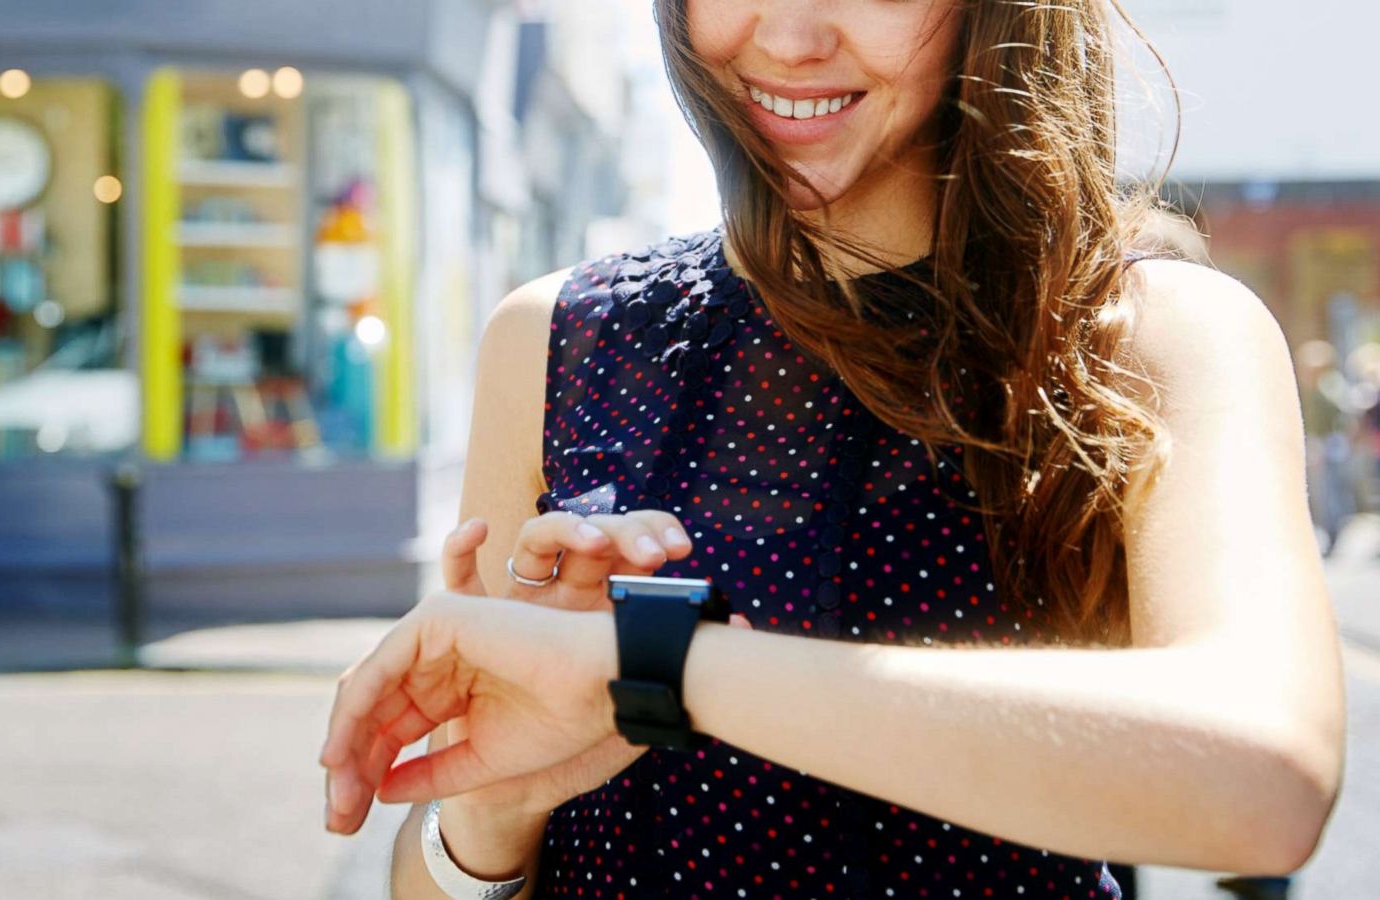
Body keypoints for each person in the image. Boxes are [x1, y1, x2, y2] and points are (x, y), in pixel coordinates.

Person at [321, 2, 1348, 897]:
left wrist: (651, 670)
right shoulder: (558, 338)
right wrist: (496, 811)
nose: (791, 37)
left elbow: (1265, 782)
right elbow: (435, 878)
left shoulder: (1150, 332)